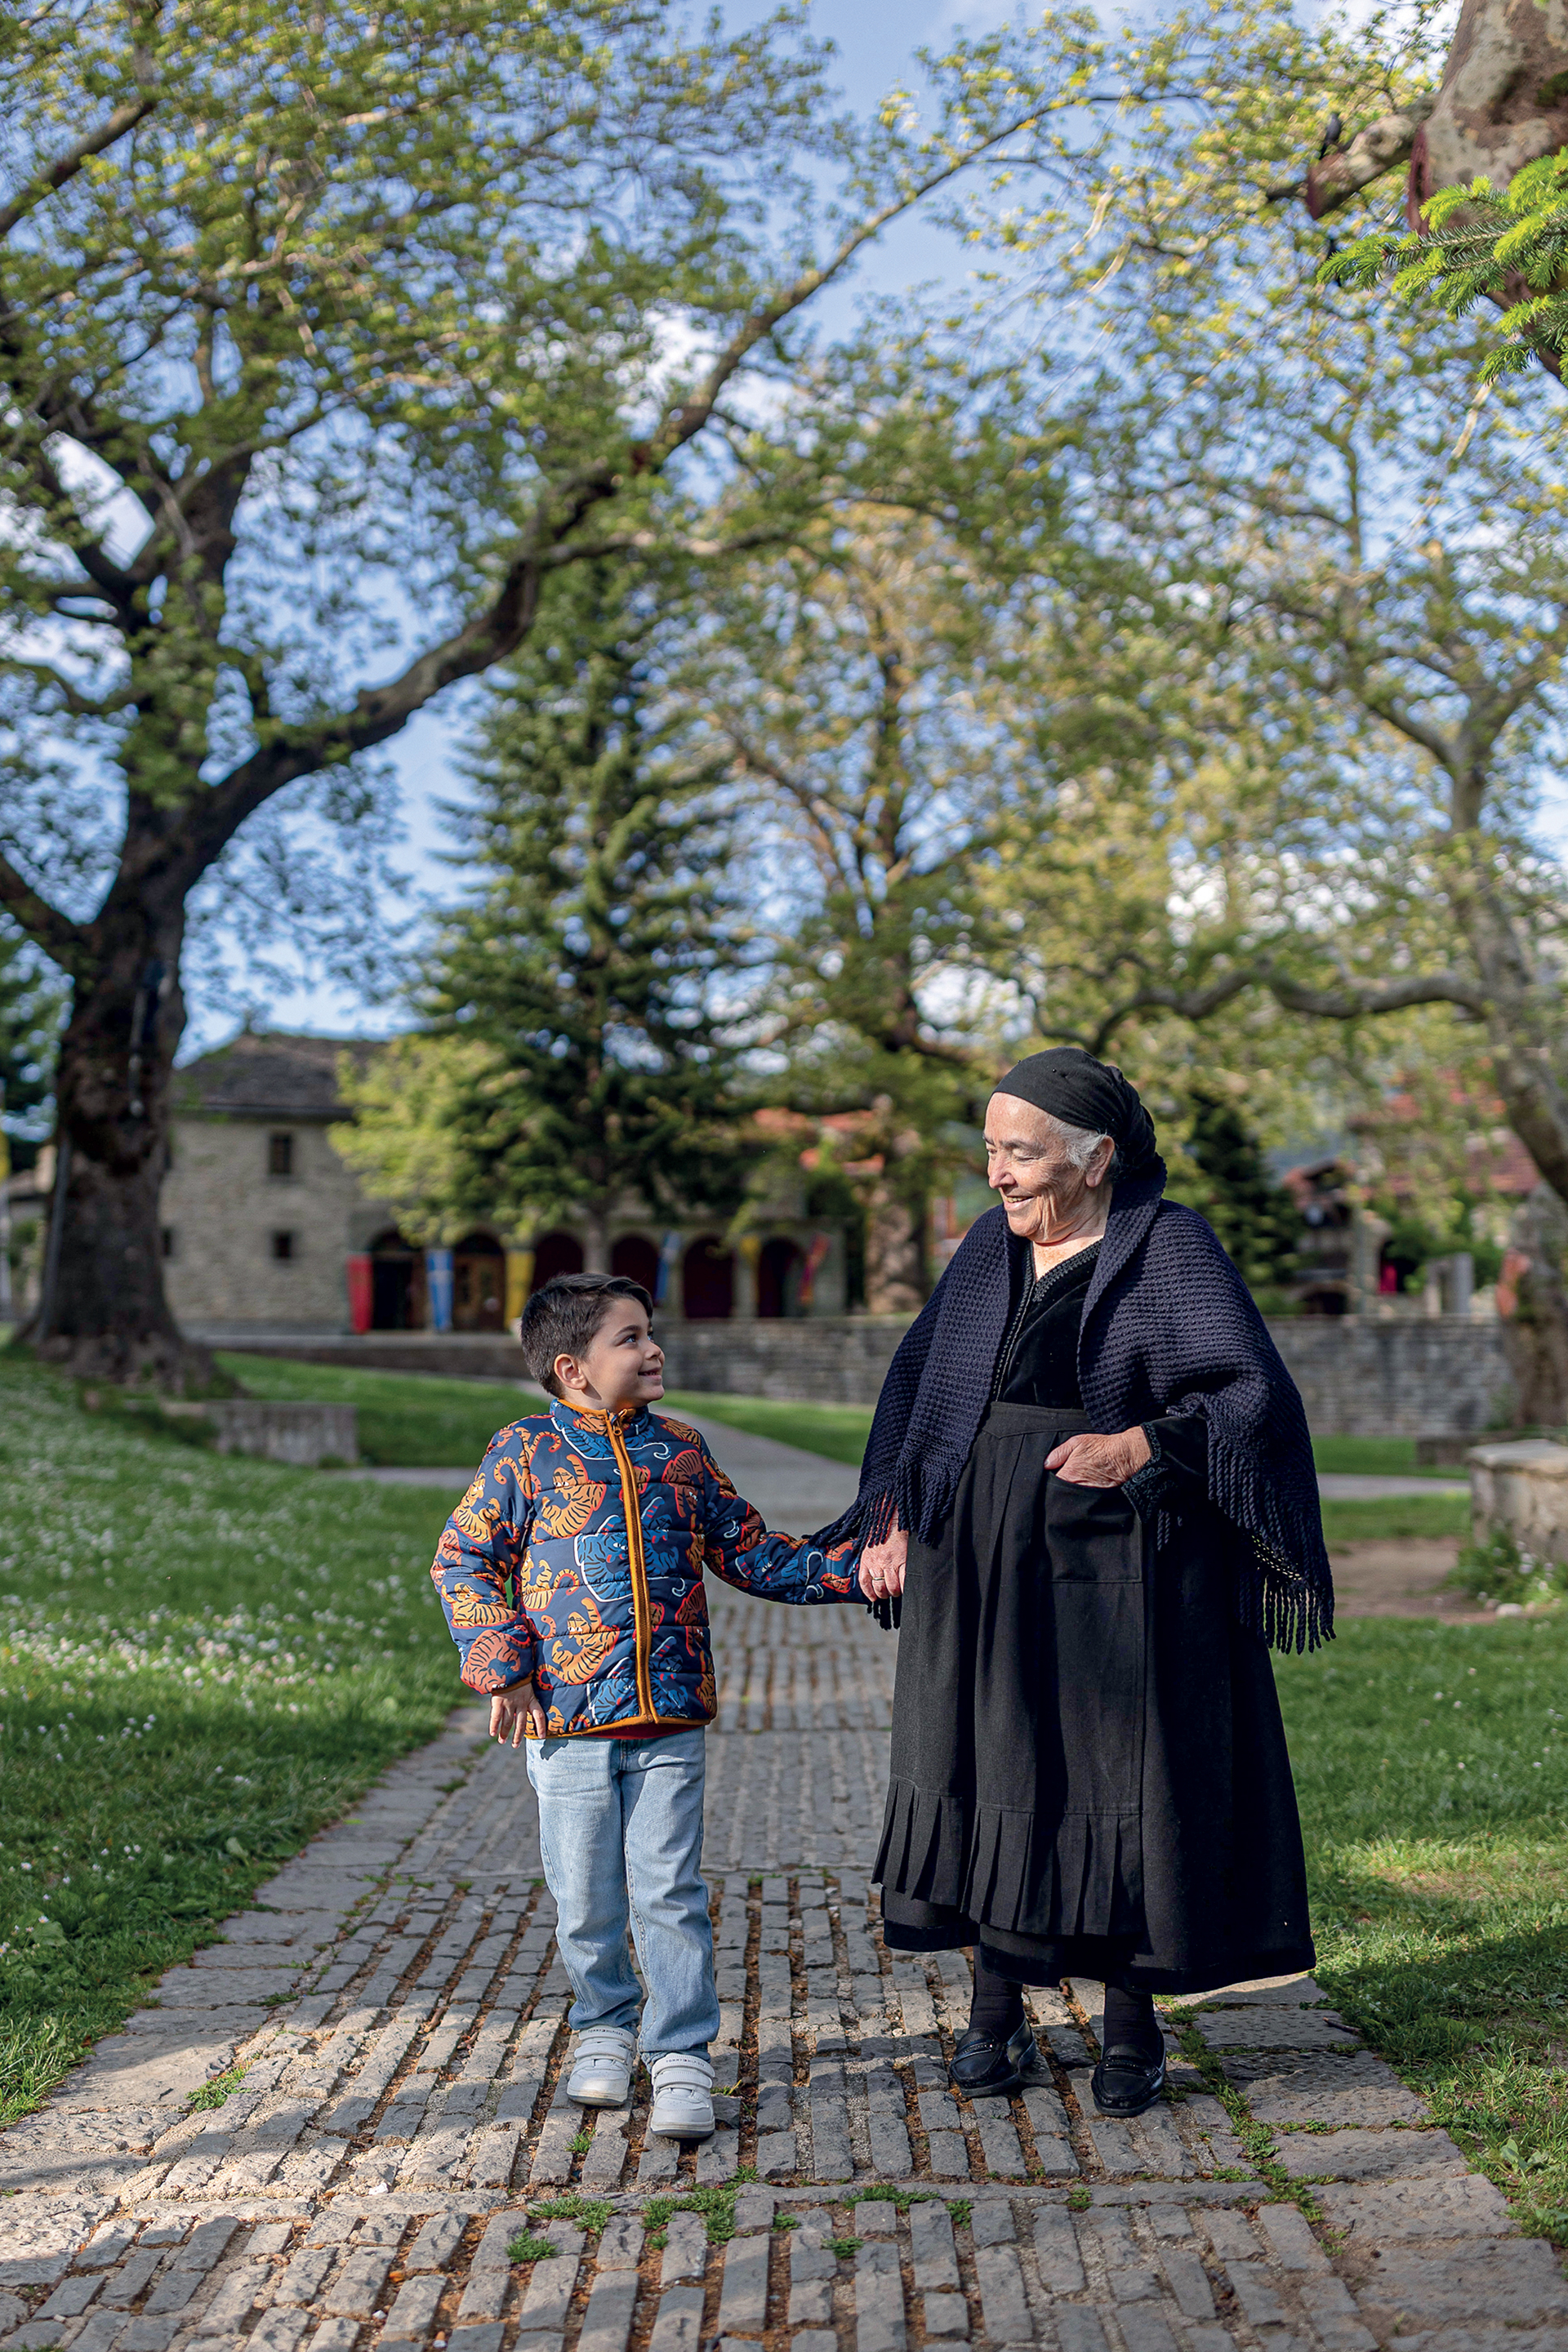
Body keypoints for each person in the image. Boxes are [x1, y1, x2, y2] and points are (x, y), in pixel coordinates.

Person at [817, 1048, 1331, 2118]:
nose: (998, 1173)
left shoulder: (1169, 1245)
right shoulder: (982, 1253)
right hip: (980, 1559)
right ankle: (994, 2020)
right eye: (993, 1151)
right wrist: (896, 1516)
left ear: (1095, 1159)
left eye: (1021, 1153)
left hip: (1123, 1569)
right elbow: (919, 1392)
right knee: (993, 1764)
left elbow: (1252, 1401)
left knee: (1116, 1783)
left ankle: (1132, 2036)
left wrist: (1143, 1444)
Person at [431, 1271, 863, 2141]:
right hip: (564, 1722)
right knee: (585, 1893)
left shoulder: (683, 1451)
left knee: (669, 1890)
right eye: (629, 1337)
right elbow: (464, 1559)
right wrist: (504, 1664)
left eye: (649, 1331)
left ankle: (680, 2056)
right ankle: (602, 2027)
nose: (654, 1347)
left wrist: (856, 1573)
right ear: (572, 1369)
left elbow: (753, 1553)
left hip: (668, 1719)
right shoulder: (523, 1453)